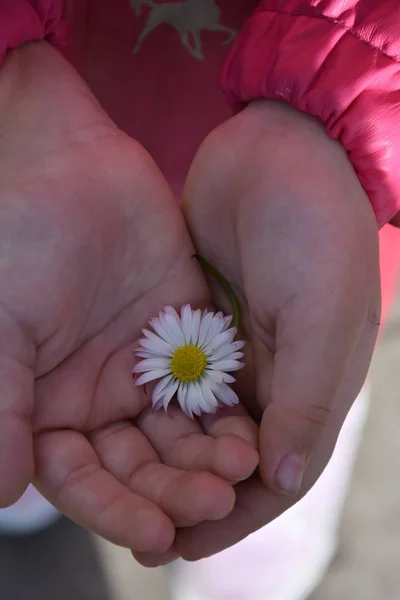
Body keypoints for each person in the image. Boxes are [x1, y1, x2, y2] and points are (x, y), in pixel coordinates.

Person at [0, 1, 399, 599]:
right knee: (54, 379)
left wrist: (346, 90)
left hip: (325, 136)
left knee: (298, 347)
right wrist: (15, 74)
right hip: (67, 89)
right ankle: (42, 427)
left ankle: (281, 479)